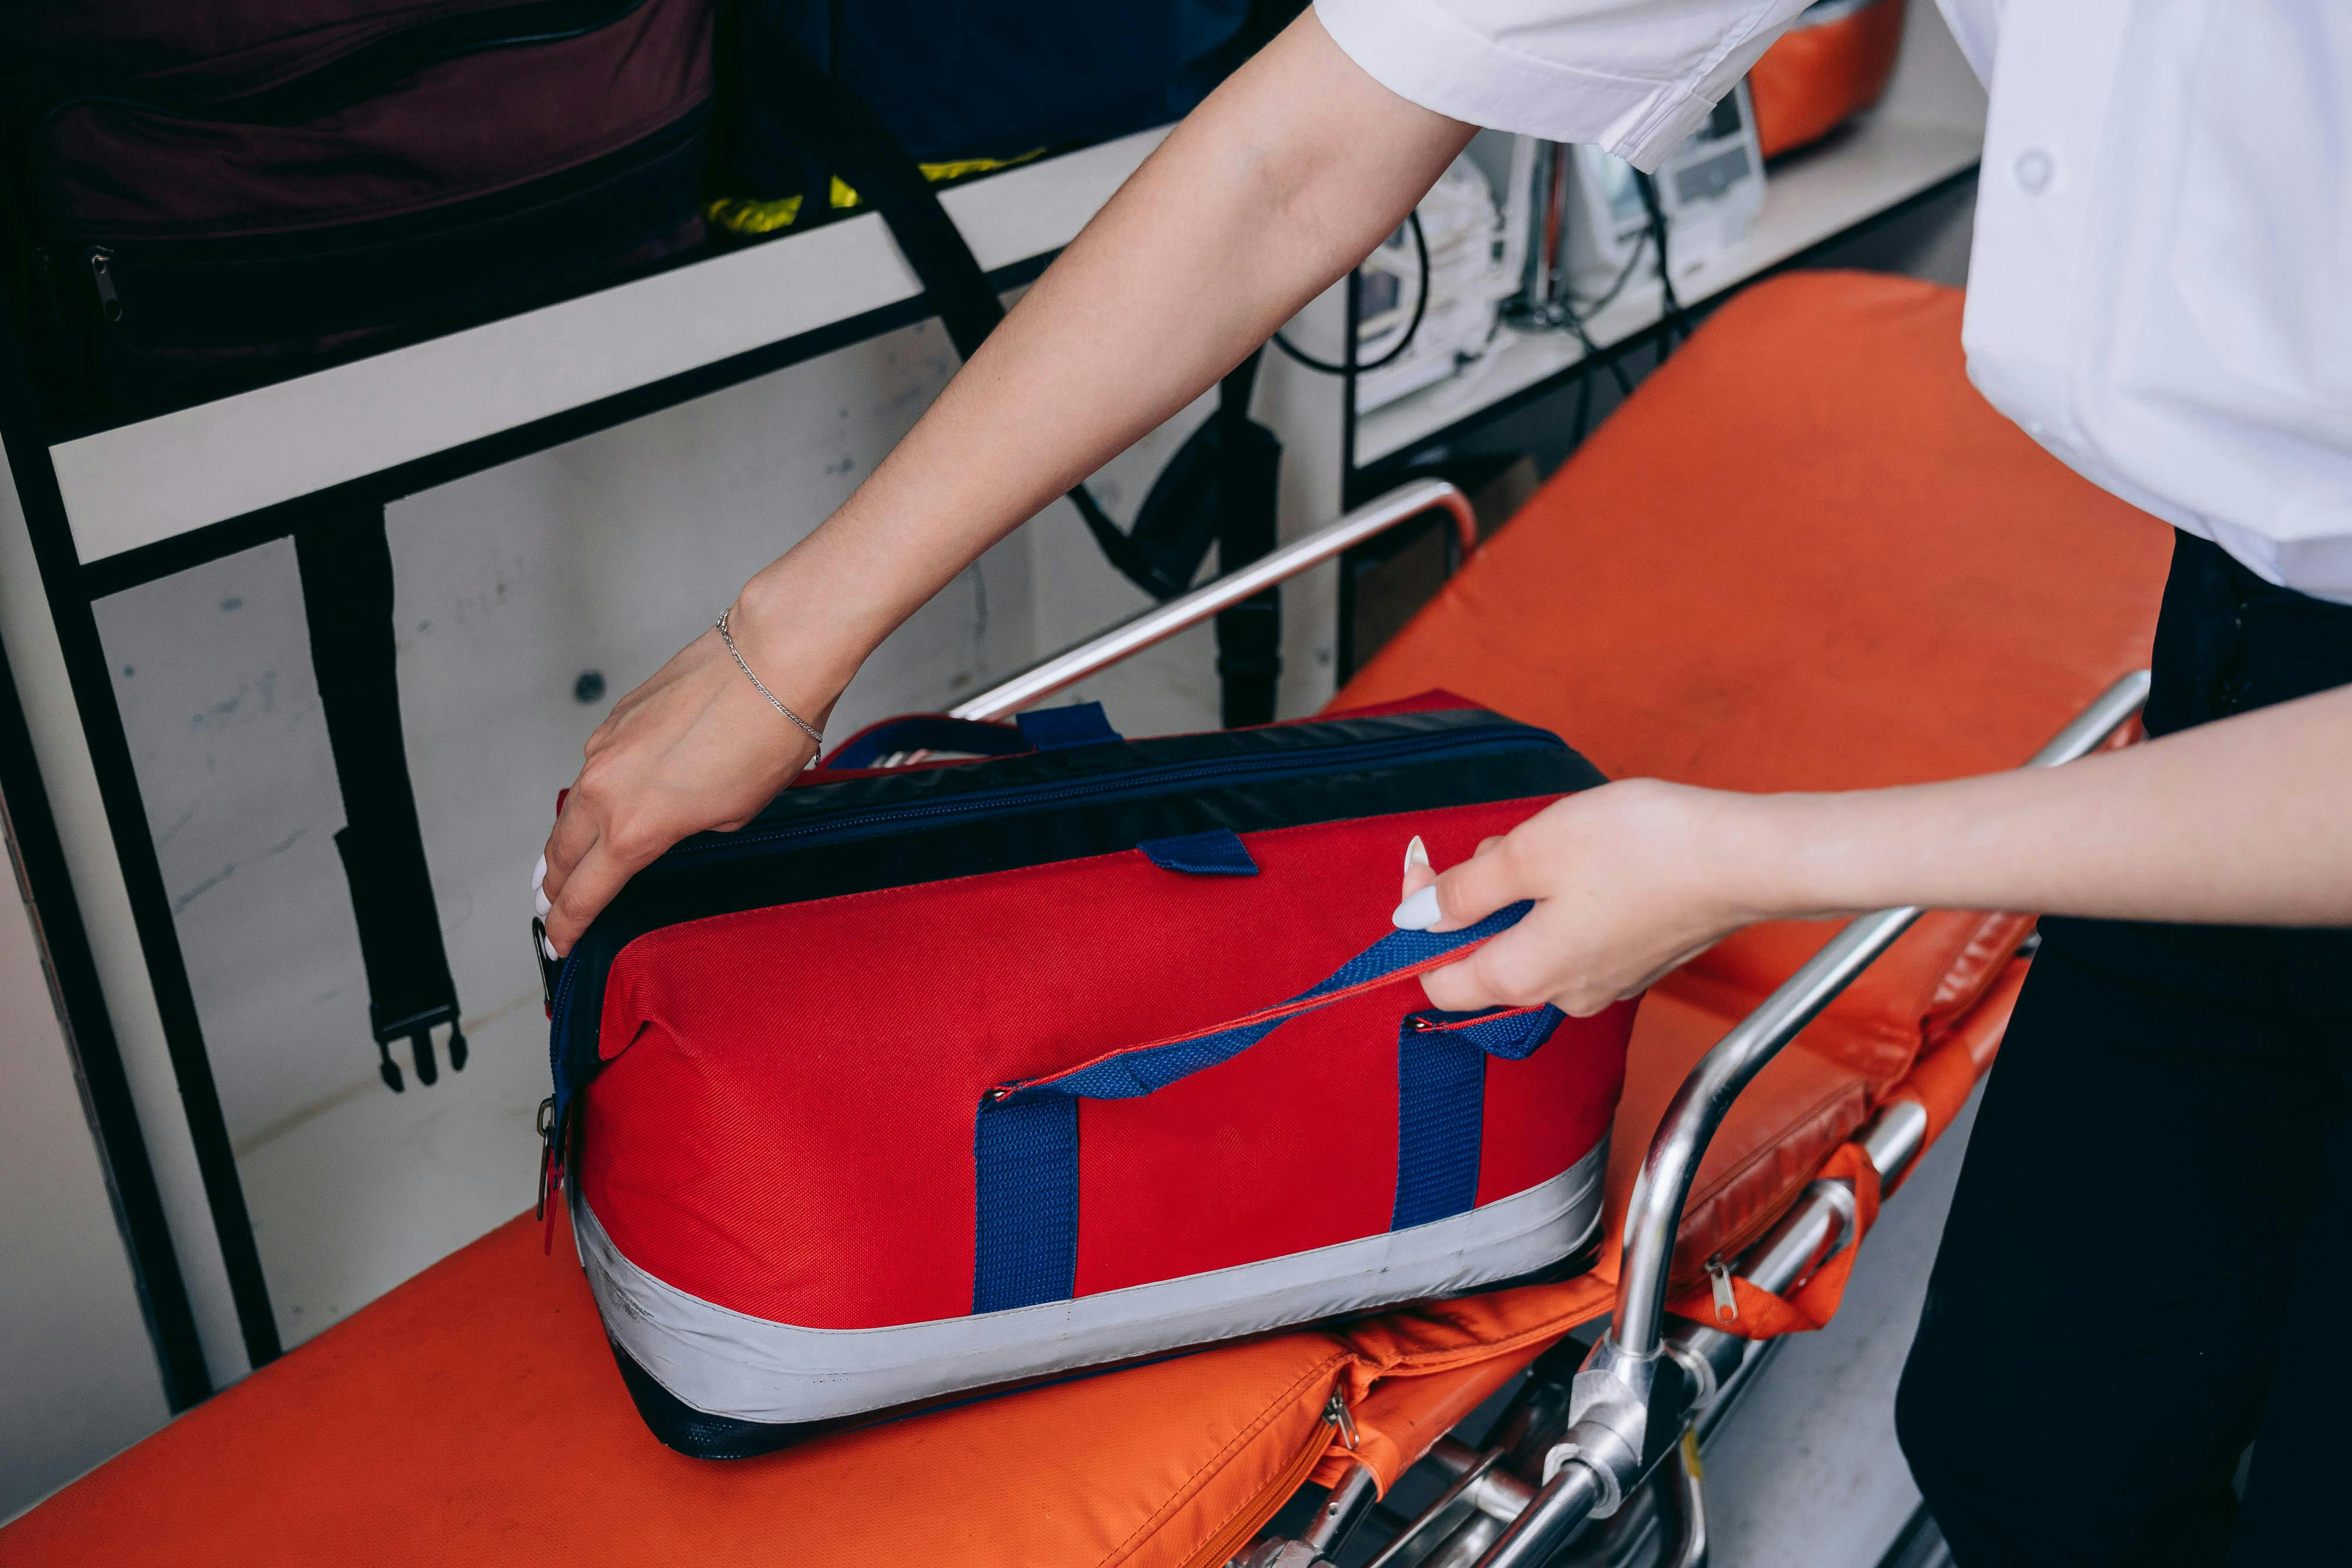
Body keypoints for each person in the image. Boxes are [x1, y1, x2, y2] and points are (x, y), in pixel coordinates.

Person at [534, 4, 2351, 1560]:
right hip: (2246, 623)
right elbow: (1314, 141)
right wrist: (783, 648)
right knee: (2029, 1443)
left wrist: (1742, 857)